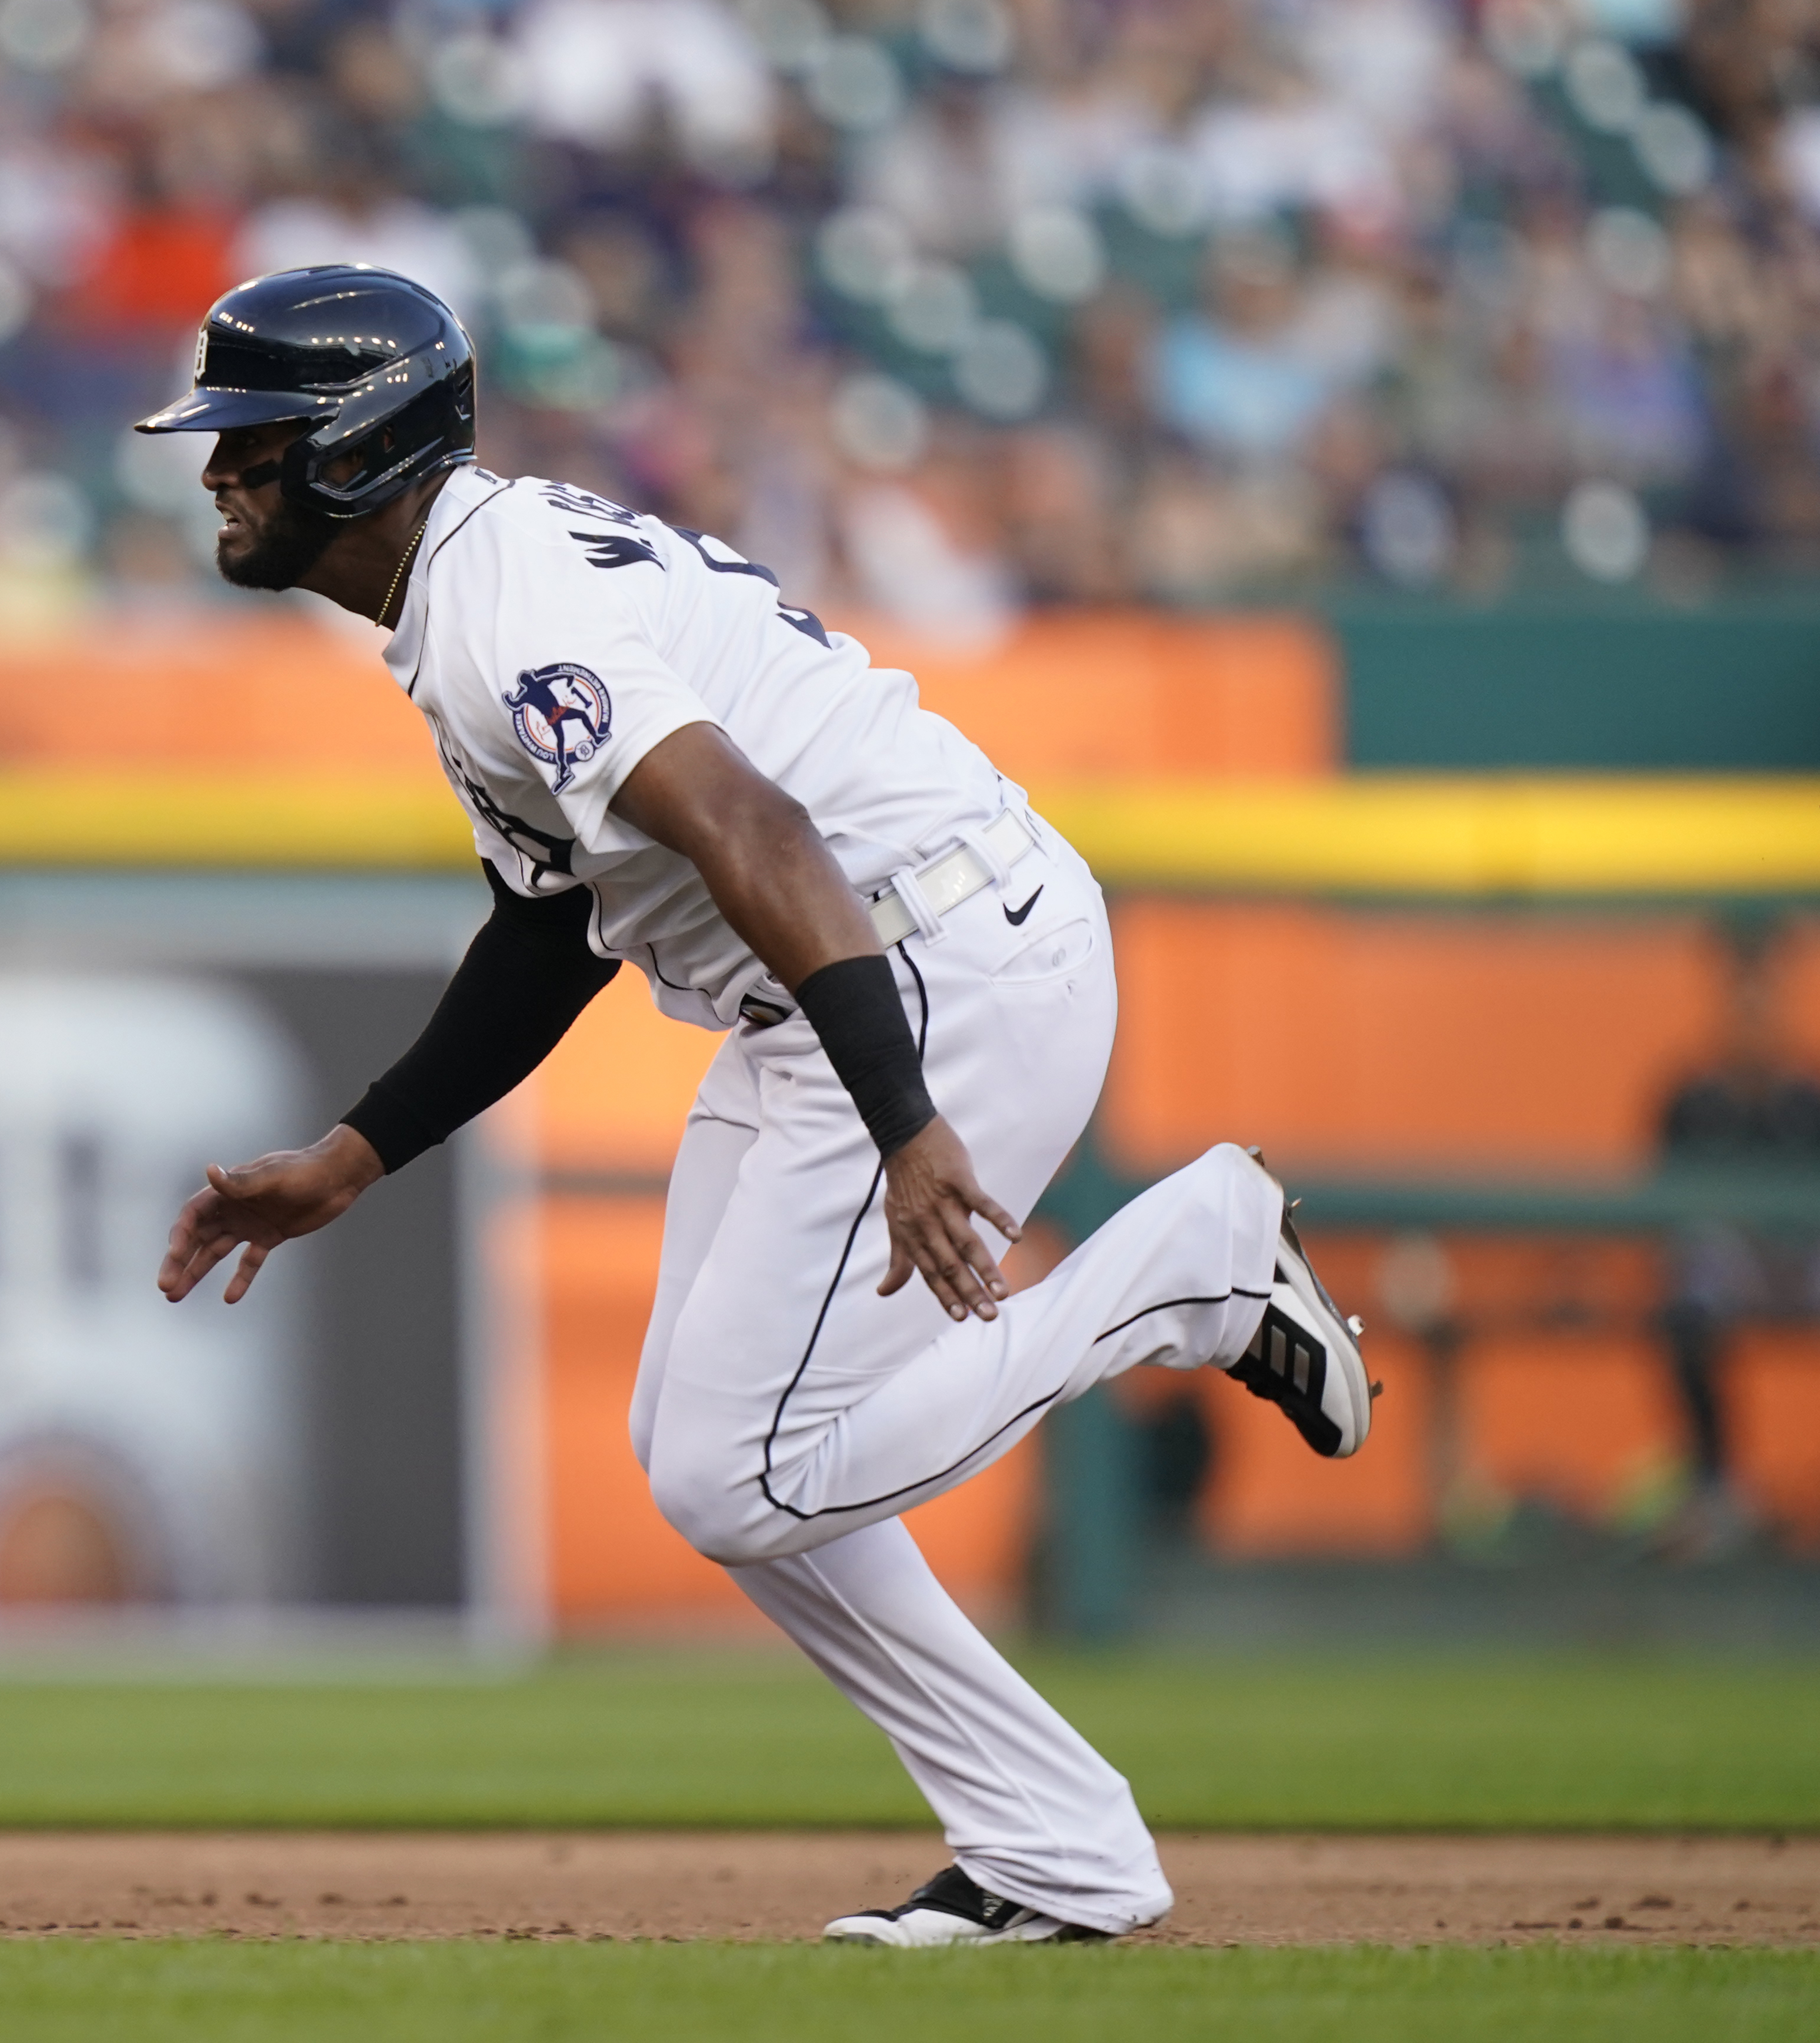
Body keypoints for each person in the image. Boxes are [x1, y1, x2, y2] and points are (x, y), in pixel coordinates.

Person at [142, 266, 1374, 1947]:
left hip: (928, 955)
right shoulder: (468, 594)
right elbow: (559, 920)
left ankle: (1192, 1268)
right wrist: (357, 1153)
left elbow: (763, 836)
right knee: (709, 1457)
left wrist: (906, 1121)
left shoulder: (509, 615)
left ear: (356, 452)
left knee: (743, 1476)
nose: (218, 471)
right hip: (867, 968)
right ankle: (1057, 1851)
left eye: (253, 440)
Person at [1651, 918, 1820, 1561]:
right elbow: (1659, 1214)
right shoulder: (1691, 1097)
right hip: (1729, 1265)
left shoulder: (1807, 1097)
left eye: (1765, 985)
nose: (1753, 1001)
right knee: (1689, 1295)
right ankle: (1717, 1488)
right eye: (1740, 984)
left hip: (1803, 1261)